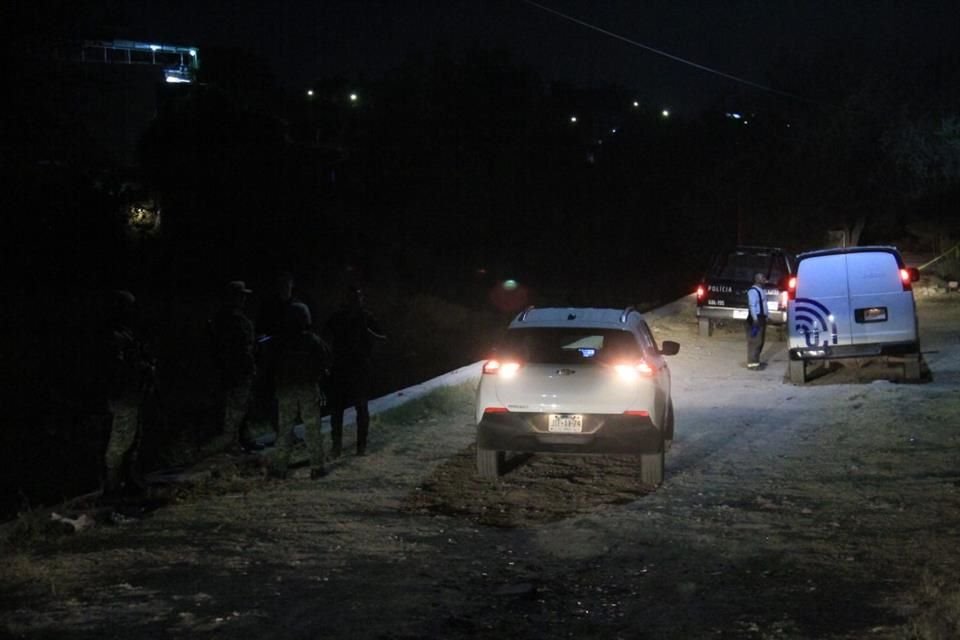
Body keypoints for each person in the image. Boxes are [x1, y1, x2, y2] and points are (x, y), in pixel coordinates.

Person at [100, 290, 155, 498]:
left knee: (132, 439)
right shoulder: (113, 336)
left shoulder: (126, 334)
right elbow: (117, 367)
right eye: (128, 307)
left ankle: (128, 480)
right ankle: (112, 487)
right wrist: (141, 367)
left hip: (131, 394)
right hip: (122, 395)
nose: (132, 312)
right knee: (119, 442)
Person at [269, 302, 331, 479]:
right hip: (307, 388)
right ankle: (317, 467)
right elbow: (325, 362)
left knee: (285, 429)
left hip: (286, 389)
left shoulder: (280, 341)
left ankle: (280, 468)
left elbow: (272, 366)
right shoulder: (311, 340)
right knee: (312, 428)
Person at [323, 286, 386, 457]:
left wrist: (369, 334)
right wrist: (328, 362)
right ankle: (337, 447)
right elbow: (325, 338)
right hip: (341, 368)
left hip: (359, 368)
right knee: (337, 410)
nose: (354, 301)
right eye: (352, 298)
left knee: (360, 407)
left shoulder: (366, 317)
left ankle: (361, 446)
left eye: (357, 298)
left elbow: (382, 339)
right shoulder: (338, 317)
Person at [210, 280, 258, 453]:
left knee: (244, 405)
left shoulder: (235, 318)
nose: (244, 299)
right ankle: (232, 443)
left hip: (242, 368)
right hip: (233, 369)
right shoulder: (226, 319)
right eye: (241, 296)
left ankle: (243, 438)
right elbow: (227, 347)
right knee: (233, 408)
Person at [254, 271, 302, 434]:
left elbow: (305, 331)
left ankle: (291, 430)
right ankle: (281, 431)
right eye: (281, 284)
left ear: (291, 285)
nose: (284, 287)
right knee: (276, 397)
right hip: (274, 359)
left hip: (293, 358)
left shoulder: (297, 306)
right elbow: (260, 331)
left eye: (287, 284)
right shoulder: (269, 307)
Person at [745, 272, 768, 369]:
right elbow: (752, 306)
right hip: (756, 318)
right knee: (755, 341)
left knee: (760, 341)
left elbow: (764, 305)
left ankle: (756, 361)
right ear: (757, 279)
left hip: (761, 318)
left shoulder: (761, 290)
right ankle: (752, 363)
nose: (765, 280)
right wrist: (755, 319)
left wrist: (767, 316)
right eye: (763, 278)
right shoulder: (753, 291)